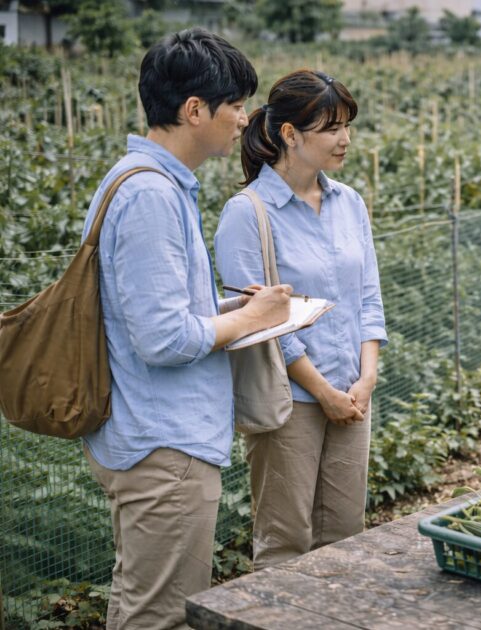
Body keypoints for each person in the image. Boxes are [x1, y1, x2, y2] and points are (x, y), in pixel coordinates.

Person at [80, 29, 292, 630]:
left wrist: (231, 308)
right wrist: (250, 319)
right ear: (194, 110)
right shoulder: (149, 194)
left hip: (151, 438)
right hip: (162, 446)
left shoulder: (147, 183)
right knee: (162, 617)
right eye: (235, 105)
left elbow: (152, 311)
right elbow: (164, 339)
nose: (244, 118)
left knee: (140, 603)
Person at [214, 70, 387, 570]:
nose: (345, 139)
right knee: (285, 540)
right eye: (331, 128)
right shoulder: (248, 214)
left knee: (345, 534)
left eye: (347, 126)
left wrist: (366, 377)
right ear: (290, 133)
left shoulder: (349, 203)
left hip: (354, 393)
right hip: (290, 401)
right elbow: (258, 323)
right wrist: (323, 391)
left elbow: (368, 298)